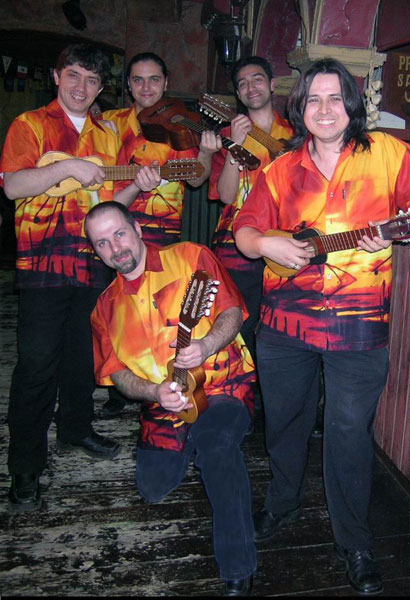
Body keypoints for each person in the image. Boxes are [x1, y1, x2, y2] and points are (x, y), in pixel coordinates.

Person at [233, 58, 410, 595]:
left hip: (359, 324)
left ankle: (354, 539)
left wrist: (396, 230)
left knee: (350, 434)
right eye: (314, 99)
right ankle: (283, 501)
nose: (325, 109)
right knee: (285, 423)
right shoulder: (279, 169)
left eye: (335, 98)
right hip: (284, 324)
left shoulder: (390, 154)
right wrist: (268, 243)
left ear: (351, 105)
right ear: (300, 109)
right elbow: (244, 231)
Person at [0, 43, 159, 513]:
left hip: (94, 261)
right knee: (35, 365)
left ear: (101, 87)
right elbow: (12, 185)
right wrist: (67, 167)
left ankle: (75, 428)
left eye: (91, 80)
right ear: (56, 76)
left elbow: (112, 203)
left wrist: (138, 186)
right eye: (73, 75)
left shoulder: (108, 133)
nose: (81, 87)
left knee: (82, 356)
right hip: (44, 263)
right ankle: (25, 466)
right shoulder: (30, 124)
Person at [85, 201, 256, 596]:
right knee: (152, 487)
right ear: (96, 252)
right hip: (163, 404)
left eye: (119, 234)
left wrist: (206, 345)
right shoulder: (104, 309)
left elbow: (232, 312)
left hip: (221, 386)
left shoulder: (191, 258)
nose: (115, 248)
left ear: (138, 229)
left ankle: (238, 566)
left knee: (217, 449)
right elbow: (119, 376)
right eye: (102, 243)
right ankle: (188, 438)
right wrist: (154, 392)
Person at [101, 51, 221, 416]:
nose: (146, 87)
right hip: (113, 238)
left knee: (159, 314)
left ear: (166, 83)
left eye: (154, 79)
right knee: (121, 313)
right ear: (128, 85)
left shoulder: (178, 125)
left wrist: (205, 154)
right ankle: (121, 390)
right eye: (138, 80)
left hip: (163, 235)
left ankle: (161, 385)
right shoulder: (109, 124)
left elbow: (197, 179)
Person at [208, 56, 293, 362]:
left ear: (272, 85)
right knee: (239, 328)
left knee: (278, 329)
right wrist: (235, 144)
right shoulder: (228, 135)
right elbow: (226, 196)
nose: (250, 87)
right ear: (238, 94)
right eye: (242, 83)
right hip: (235, 247)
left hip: (284, 241)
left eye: (257, 79)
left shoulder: (296, 135)